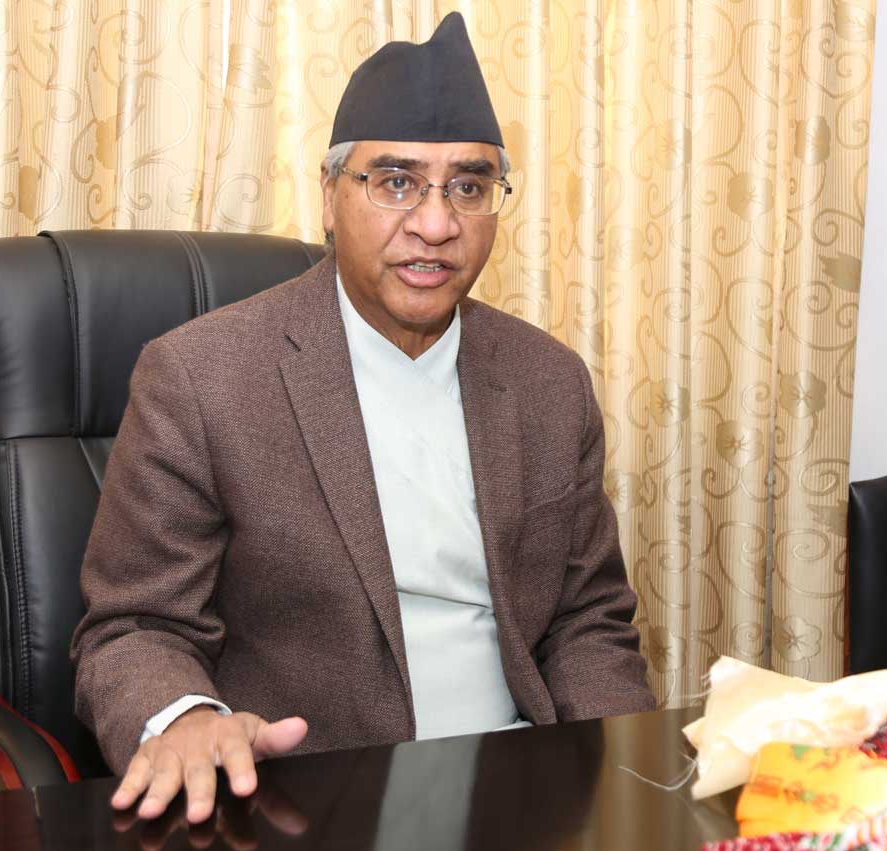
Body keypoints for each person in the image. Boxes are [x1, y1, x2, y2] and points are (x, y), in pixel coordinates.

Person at [71, 11, 654, 827]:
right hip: (307, 801)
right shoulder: (201, 378)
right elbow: (135, 627)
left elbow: (587, 620)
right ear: (329, 195)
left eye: (469, 186)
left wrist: (628, 783)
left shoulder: (548, 381)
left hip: (521, 792)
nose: (436, 224)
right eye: (395, 181)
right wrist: (187, 718)